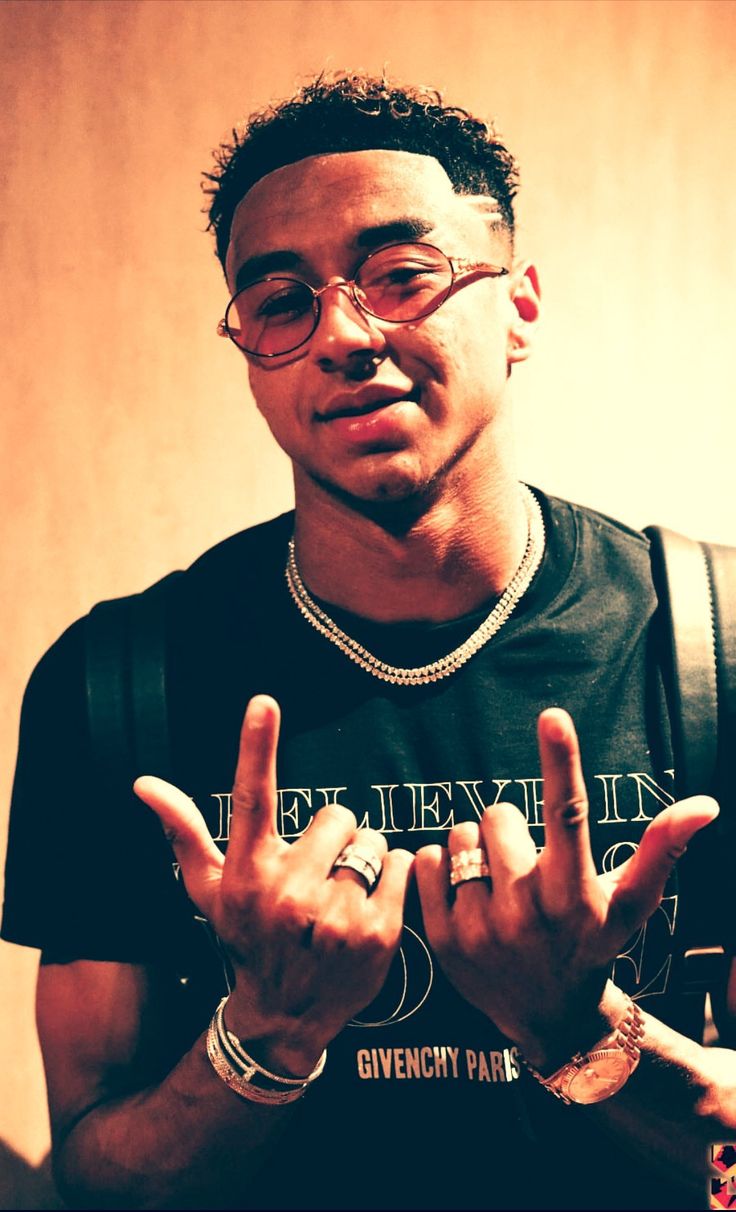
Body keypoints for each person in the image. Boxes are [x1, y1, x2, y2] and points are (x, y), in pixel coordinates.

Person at [2, 72, 735, 1212]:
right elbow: (99, 1187)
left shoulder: (718, 648)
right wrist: (268, 1033)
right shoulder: (114, 685)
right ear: (249, 350)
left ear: (520, 308)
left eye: (402, 276)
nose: (342, 333)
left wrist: (571, 1027)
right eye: (282, 301)